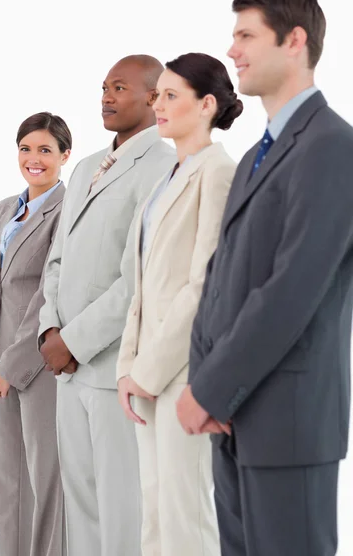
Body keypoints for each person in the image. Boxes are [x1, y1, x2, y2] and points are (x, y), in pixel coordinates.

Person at [176, 0, 353, 556]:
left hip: (287, 423)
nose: (233, 51)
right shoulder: (256, 155)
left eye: (246, 35)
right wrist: (207, 384)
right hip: (234, 420)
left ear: (294, 40)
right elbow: (222, 277)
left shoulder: (331, 146)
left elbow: (292, 290)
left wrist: (211, 388)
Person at [38, 55, 176, 556]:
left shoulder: (165, 166)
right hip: (66, 371)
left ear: (154, 97)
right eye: (103, 87)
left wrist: (73, 341)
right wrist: (49, 332)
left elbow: (138, 278)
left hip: (114, 369)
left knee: (123, 510)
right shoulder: (83, 167)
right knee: (80, 509)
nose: (106, 97)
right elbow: (57, 259)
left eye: (119, 88)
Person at [117, 52, 241, 556]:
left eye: (171, 95)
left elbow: (203, 286)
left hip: (185, 372)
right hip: (147, 374)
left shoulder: (218, 172)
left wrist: (146, 370)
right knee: (155, 512)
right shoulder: (168, 177)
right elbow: (142, 284)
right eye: (157, 94)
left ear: (207, 104)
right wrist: (130, 367)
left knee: (185, 515)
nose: (158, 103)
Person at [0, 112, 71, 556]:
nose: (34, 159)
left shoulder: (66, 211)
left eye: (45, 150)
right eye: (26, 149)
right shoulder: (4, 209)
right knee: (8, 477)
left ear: (64, 156)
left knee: (45, 474)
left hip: (40, 365)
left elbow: (48, 298)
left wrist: (11, 367)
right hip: (0, 366)